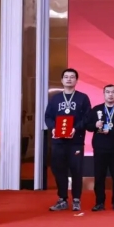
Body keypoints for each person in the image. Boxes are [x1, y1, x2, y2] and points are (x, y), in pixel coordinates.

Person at [44, 68, 91, 211]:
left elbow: (87, 117)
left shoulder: (83, 98)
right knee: (59, 170)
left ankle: (76, 199)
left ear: (76, 80)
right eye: (66, 77)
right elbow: (48, 116)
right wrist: (53, 128)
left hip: (75, 141)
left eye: (72, 77)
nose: (69, 79)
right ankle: (62, 199)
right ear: (62, 80)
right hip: (58, 141)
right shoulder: (55, 98)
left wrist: (75, 128)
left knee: (76, 170)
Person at [85, 84, 114, 211]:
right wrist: (96, 125)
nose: (110, 94)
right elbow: (88, 126)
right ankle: (99, 202)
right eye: (108, 92)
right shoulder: (96, 109)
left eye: (113, 92)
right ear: (104, 94)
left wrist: (111, 131)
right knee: (99, 176)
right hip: (100, 148)